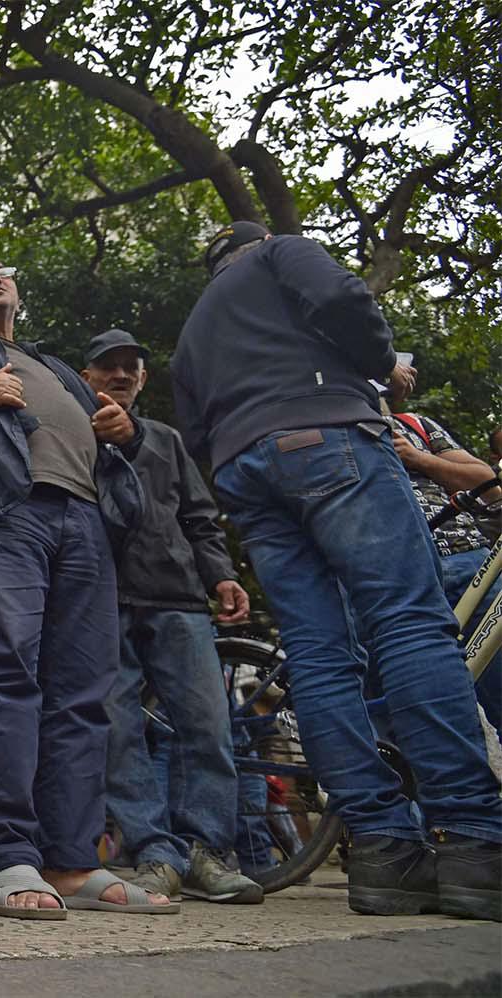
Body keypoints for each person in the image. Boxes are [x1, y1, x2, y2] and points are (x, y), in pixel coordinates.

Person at [171, 220, 501, 921]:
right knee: (409, 624)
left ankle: (385, 850)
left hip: (243, 473)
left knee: (321, 659)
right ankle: (475, 840)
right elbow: (347, 302)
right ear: (255, 243)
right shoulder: (282, 251)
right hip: (329, 435)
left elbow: (193, 429)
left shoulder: (197, 324)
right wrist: (376, 368)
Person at [0, 261, 174, 919]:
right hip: (3, 514)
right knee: (5, 674)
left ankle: (71, 858)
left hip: (84, 520)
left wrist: (126, 433)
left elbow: (110, 444)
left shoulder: (56, 367)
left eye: (5, 273)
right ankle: (6, 855)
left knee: (85, 694)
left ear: (20, 296)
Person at [78, 328, 263, 905]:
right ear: (86, 377)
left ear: (144, 379)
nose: (122, 376)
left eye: (132, 368)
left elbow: (200, 517)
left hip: (178, 598)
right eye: (109, 367)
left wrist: (222, 575)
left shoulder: (166, 440)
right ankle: (156, 854)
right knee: (118, 733)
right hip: (102, 601)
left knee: (208, 726)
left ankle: (207, 854)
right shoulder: (70, 431)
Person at [384, 409, 501, 729]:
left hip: (466, 560)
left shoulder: (413, 424)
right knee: (426, 716)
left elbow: (488, 485)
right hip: (390, 579)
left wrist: (418, 458)